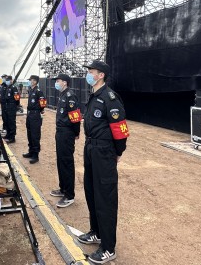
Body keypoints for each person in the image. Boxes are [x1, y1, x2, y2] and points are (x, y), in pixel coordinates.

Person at [77, 60, 129, 264]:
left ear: (101, 75)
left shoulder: (110, 98)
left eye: (92, 71)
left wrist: (118, 152)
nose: (88, 74)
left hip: (104, 152)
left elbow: (120, 129)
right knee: (91, 192)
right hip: (91, 148)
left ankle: (108, 248)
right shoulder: (94, 96)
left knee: (105, 198)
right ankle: (96, 232)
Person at [50, 73, 81, 208]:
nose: (56, 83)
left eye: (58, 81)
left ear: (65, 82)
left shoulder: (70, 96)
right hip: (60, 132)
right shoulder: (62, 95)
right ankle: (63, 188)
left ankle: (69, 195)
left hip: (67, 133)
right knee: (60, 160)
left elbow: (76, 117)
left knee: (66, 162)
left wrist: (76, 133)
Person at [22, 75, 46, 164]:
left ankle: (35, 155)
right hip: (29, 114)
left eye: (31, 80)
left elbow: (43, 103)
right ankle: (31, 151)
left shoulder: (38, 91)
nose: (30, 81)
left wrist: (39, 110)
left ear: (35, 81)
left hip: (35, 115)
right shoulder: (31, 90)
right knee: (29, 134)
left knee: (35, 135)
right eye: (30, 80)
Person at [1, 75, 20, 143]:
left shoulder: (13, 88)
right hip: (7, 107)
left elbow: (17, 98)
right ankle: (8, 135)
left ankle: (12, 137)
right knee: (7, 122)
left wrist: (16, 106)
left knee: (11, 122)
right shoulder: (7, 88)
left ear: (11, 80)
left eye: (8, 80)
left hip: (12, 107)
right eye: (6, 80)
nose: (7, 81)